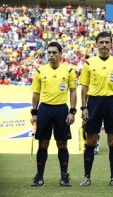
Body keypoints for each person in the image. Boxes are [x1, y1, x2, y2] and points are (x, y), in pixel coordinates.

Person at [79, 31, 113, 187]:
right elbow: (84, 87)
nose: (104, 45)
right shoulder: (89, 63)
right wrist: (84, 107)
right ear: (96, 44)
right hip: (94, 102)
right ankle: (87, 177)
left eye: (107, 42)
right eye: (101, 42)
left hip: (112, 102)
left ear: (111, 44)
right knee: (91, 140)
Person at [30, 41, 77, 187]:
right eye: (49, 52)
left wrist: (72, 112)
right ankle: (39, 177)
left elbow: (73, 91)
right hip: (45, 110)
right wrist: (34, 113)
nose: (51, 55)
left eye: (54, 52)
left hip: (61, 110)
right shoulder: (40, 71)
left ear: (60, 54)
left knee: (62, 144)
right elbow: (36, 93)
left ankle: (64, 177)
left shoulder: (68, 71)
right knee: (43, 143)